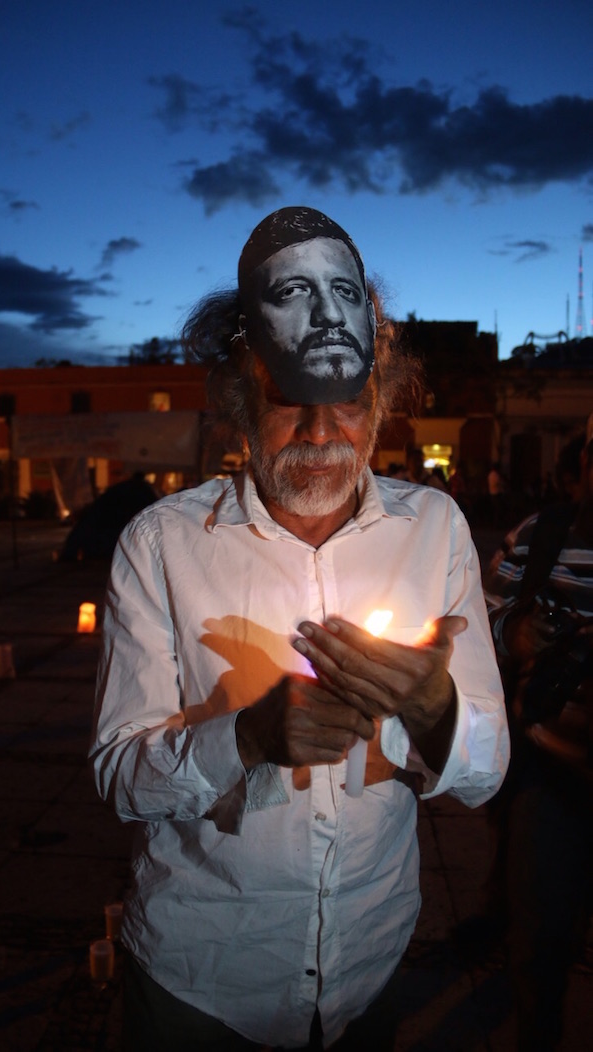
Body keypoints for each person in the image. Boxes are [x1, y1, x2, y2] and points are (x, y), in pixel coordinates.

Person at [90, 206, 509, 1051]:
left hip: (369, 972)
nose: (322, 433)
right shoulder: (161, 545)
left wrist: (432, 708)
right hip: (200, 984)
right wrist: (244, 738)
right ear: (243, 402)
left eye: (347, 401)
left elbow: (487, 772)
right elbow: (118, 776)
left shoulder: (436, 530)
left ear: (382, 401)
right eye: (290, 402)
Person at [473, 423, 593, 1051]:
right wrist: (513, 638)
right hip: (548, 770)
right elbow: (473, 625)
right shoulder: (537, 540)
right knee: (540, 940)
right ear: (580, 469)